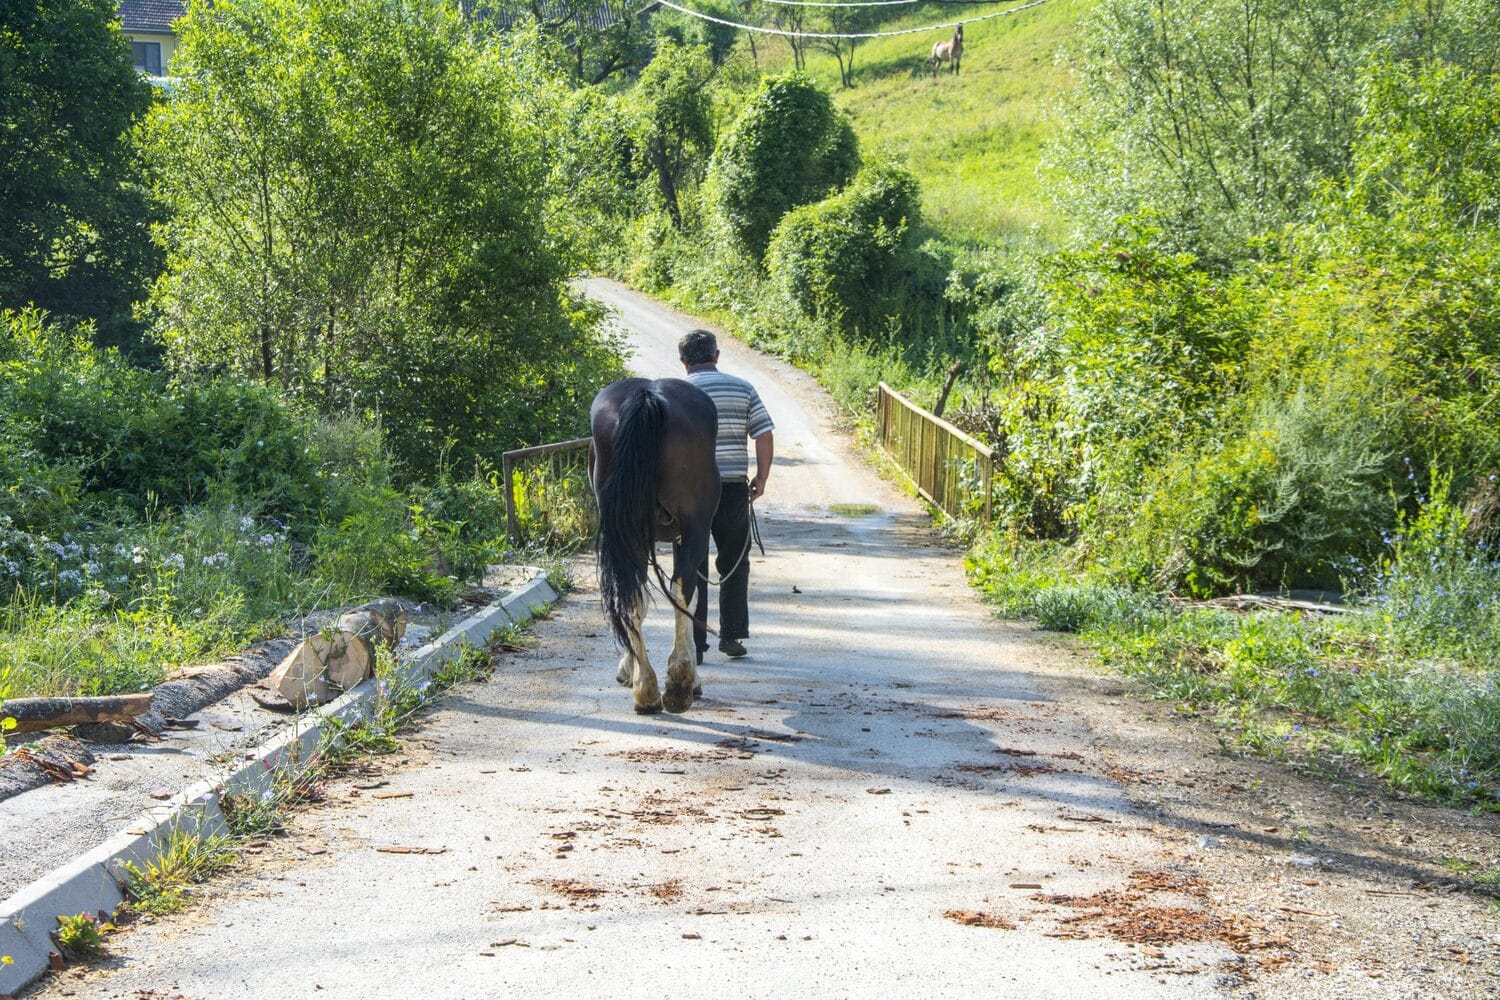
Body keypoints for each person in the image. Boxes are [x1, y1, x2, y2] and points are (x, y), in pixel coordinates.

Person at [678, 329, 774, 661]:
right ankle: (731, 634)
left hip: (689, 491)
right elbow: (763, 433)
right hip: (731, 486)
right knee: (734, 560)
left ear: (683, 361)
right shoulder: (742, 388)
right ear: (716, 356)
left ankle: (695, 643)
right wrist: (761, 477)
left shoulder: (677, 393)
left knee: (692, 563)